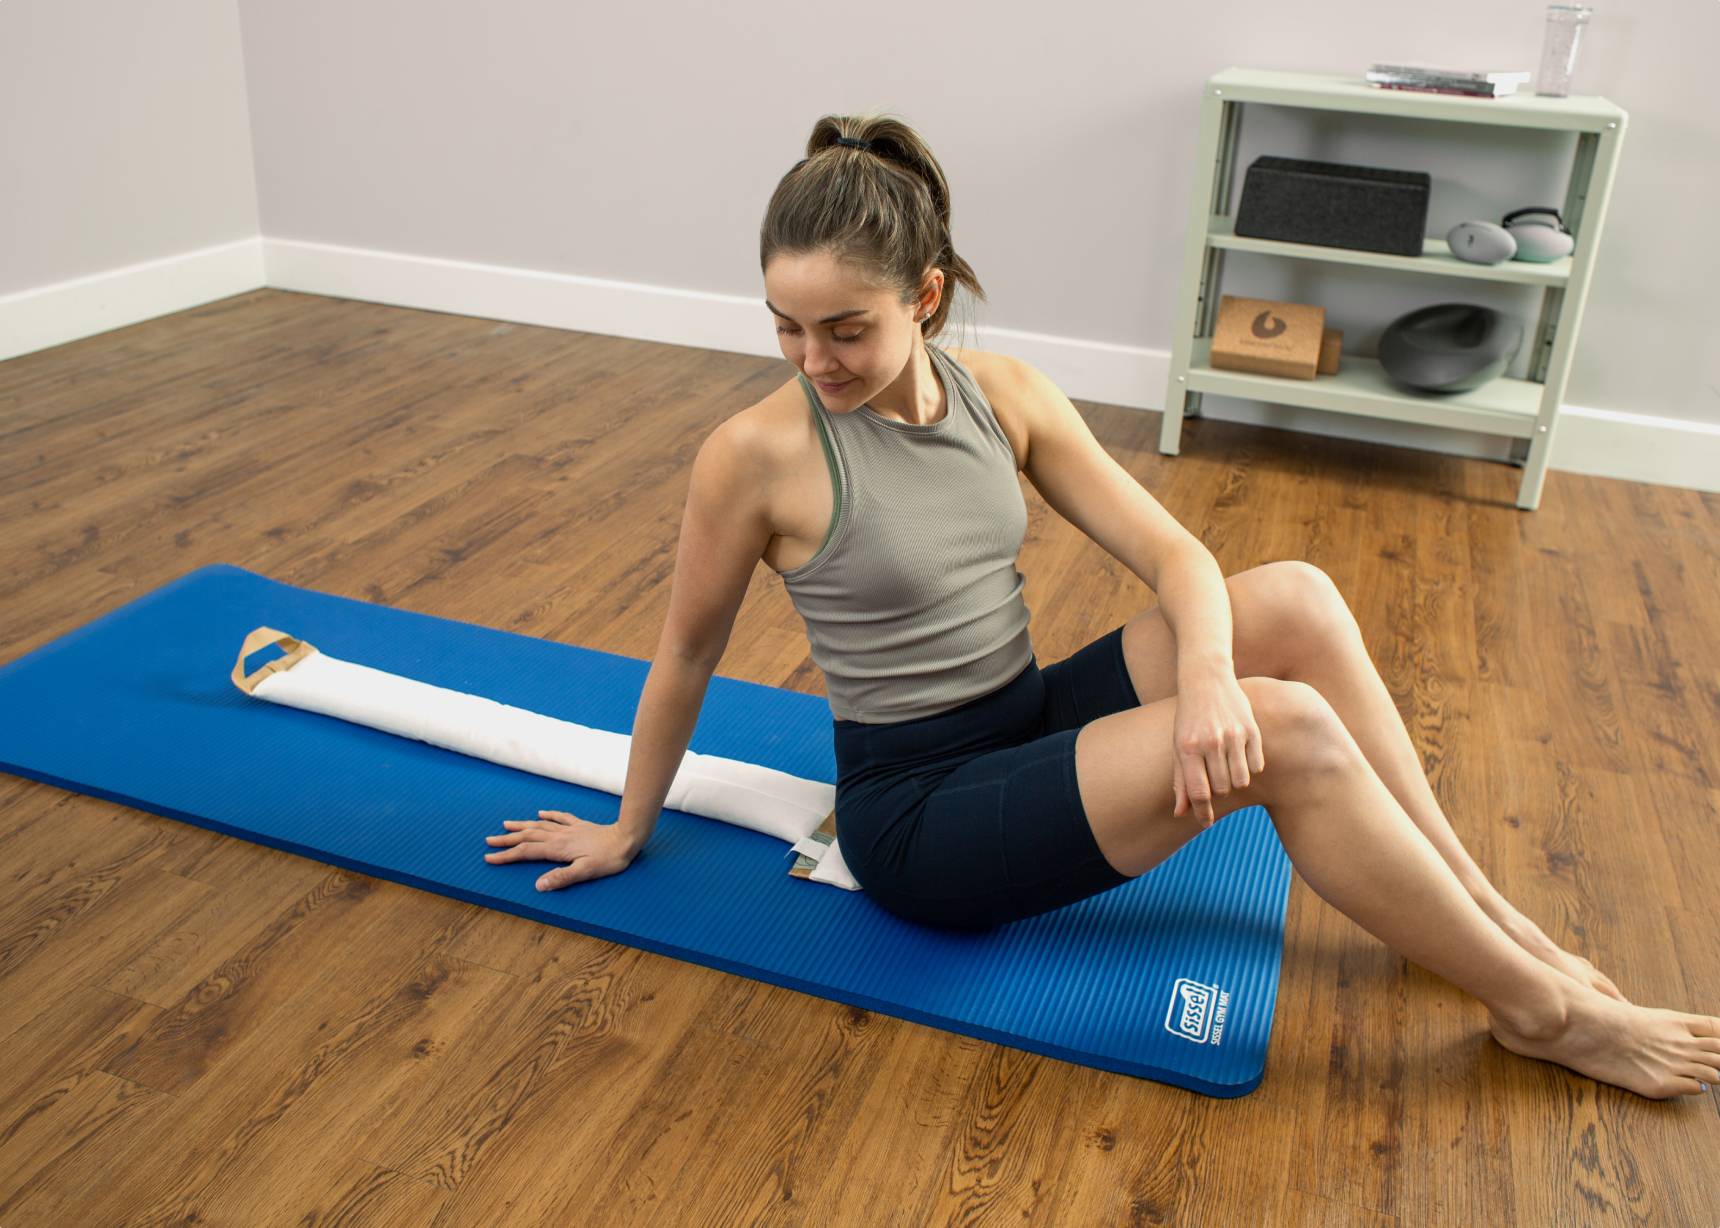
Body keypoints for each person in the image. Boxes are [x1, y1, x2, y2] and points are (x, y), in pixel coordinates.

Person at [483, 112, 1719, 1100]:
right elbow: (686, 651)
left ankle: (1479, 910)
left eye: (845, 328)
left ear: (923, 295)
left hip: (1018, 723)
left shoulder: (1004, 392)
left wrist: (1212, 681)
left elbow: (1177, 553)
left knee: (1287, 598)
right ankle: (1539, 1009)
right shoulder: (751, 455)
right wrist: (626, 828)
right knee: (1285, 736)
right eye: (788, 328)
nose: (815, 361)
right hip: (916, 813)